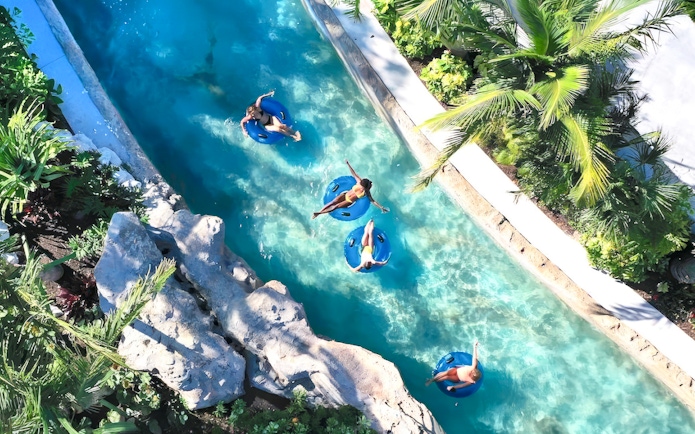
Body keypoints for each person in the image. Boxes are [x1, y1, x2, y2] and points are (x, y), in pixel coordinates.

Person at [312, 159, 389, 219]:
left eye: (362, 187)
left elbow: (373, 201)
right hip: (345, 194)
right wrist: (348, 164)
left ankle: (318, 214)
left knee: (335, 207)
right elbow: (354, 173)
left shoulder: (366, 192)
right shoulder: (359, 182)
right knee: (332, 202)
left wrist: (381, 207)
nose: (361, 186)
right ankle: (319, 212)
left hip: (348, 201)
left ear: (365, 187)